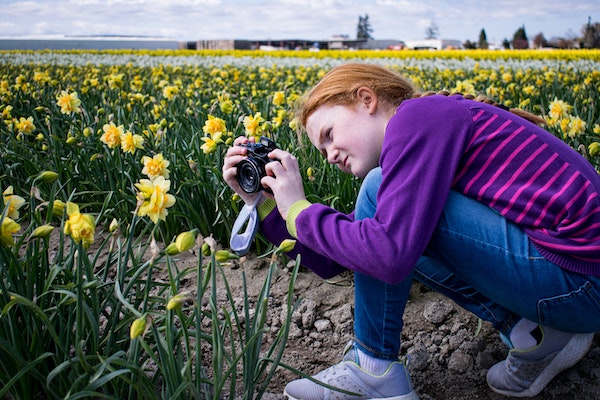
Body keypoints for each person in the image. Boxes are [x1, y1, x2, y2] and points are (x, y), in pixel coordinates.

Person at [222, 63, 600, 399]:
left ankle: (373, 369)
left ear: (366, 99)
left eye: (329, 134)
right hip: (573, 286)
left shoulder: (418, 117)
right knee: (383, 225)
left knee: (378, 201)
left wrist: (300, 210)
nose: (331, 155)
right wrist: (269, 204)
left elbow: (385, 255)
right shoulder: (421, 137)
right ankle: (534, 332)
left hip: (581, 283)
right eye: (322, 152)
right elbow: (342, 259)